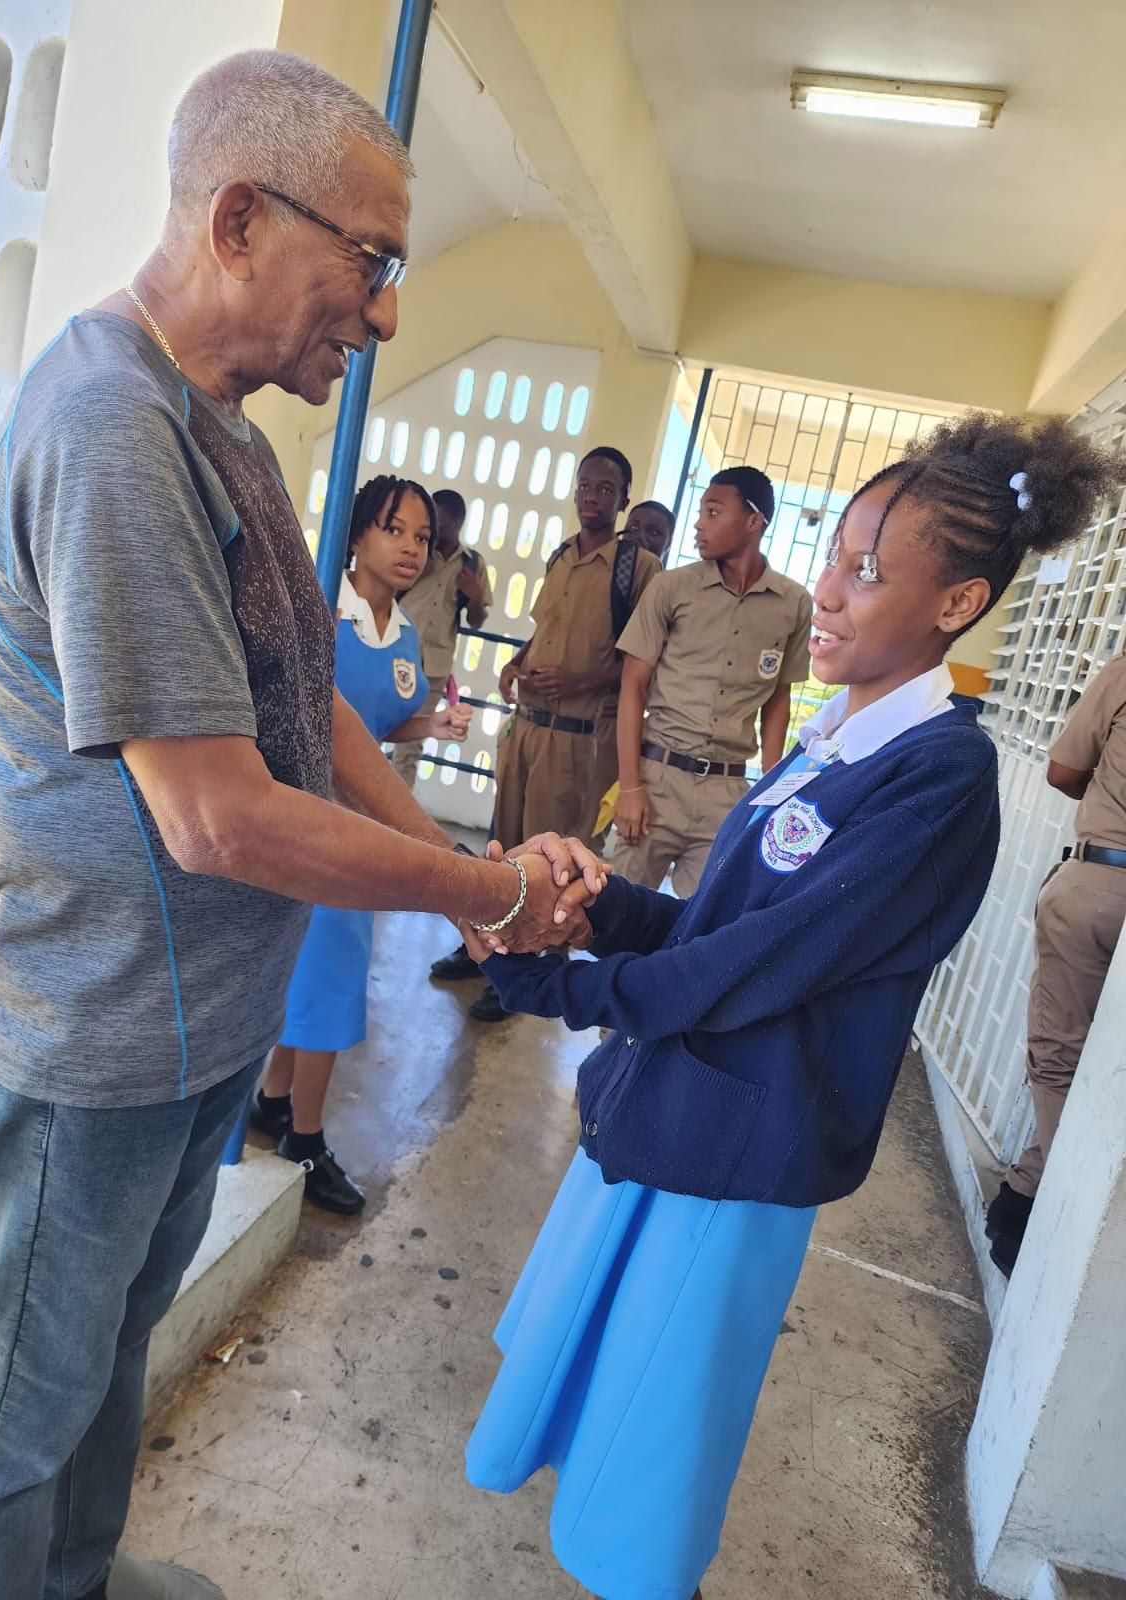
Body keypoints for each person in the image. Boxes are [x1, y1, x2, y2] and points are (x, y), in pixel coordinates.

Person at [0, 51, 598, 1600]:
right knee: (4, 1428)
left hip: (188, 1031)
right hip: (88, 1037)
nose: (382, 312)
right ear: (238, 218)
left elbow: (315, 715)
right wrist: (484, 893)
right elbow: (220, 816)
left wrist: (470, 874)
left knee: (100, 1364)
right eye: (368, 261)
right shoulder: (110, 430)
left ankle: (73, 1586)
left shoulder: (218, 426)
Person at [457, 413, 1124, 1600]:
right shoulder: (832, 741)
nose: (829, 588)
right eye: (837, 550)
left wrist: (558, 981)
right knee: (603, 1413)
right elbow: (722, 933)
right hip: (672, 1121)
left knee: (649, 1478)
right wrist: (606, 906)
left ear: (958, 603)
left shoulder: (939, 774)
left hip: (736, 1160)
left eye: (870, 569)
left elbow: (761, 966)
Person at [251, 476, 471, 1212]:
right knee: (332, 974)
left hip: (361, 823)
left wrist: (432, 728)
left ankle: (277, 1099)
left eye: (421, 537)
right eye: (394, 530)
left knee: (318, 966)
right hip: (312, 820)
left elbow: (376, 725)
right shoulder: (317, 609)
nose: (410, 548)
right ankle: (306, 1142)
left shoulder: (402, 632)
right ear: (357, 536)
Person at [430, 447, 660, 1022]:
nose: (592, 497)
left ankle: (532, 974)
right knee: (504, 845)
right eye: (585, 486)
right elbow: (544, 631)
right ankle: (484, 951)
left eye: (606, 489)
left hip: (576, 738)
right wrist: (518, 663)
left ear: (623, 498)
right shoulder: (561, 556)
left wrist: (578, 680)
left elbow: (639, 667)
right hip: (526, 729)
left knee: (552, 858)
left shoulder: (639, 568)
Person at [985, 651, 1126, 1276]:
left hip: (1103, 883)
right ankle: (1028, 1200)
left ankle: (1062, 1214)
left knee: (1059, 1055)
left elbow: (1064, 768)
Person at [613, 467, 811, 895]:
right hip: (656, 779)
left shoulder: (793, 603)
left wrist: (771, 792)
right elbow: (632, 688)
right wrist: (630, 786)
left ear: (754, 520)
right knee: (618, 917)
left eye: (713, 511)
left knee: (701, 926)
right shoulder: (671, 588)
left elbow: (778, 698)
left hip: (728, 793)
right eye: (702, 510)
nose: (699, 523)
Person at [390, 488, 491, 790]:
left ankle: (393, 822)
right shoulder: (415, 552)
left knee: (411, 747)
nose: (435, 527)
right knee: (371, 729)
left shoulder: (473, 565)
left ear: (459, 521)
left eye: (442, 522)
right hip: (394, 654)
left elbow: (476, 621)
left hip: (433, 666)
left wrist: (475, 597)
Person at [622, 499, 676, 564]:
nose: (640, 536)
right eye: (634, 527)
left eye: (654, 532)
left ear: (669, 543)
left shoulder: (673, 574)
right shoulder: (608, 571)